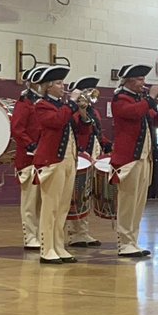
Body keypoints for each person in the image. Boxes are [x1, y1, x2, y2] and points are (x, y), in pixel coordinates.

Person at [110, 63, 158, 258]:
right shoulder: (120, 99)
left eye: (144, 79)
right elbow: (134, 113)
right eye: (140, 80)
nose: (144, 83)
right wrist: (151, 98)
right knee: (128, 202)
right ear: (129, 80)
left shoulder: (140, 100)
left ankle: (132, 241)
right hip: (129, 159)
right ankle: (124, 242)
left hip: (145, 158)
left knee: (139, 202)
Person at [33, 65, 86, 265]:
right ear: (47, 87)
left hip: (69, 159)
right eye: (57, 83)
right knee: (50, 206)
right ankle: (47, 248)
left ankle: (58, 245)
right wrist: (72, 104)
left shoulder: (64, 106)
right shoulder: (42, 104)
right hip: (52, 161)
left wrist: (82, 110)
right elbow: (56, 121)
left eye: (62, 82)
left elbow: (79, 129)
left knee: (63, 206)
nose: (62, 86)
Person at [66, 75, 112, 248]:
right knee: (77, 195)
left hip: (94, 152)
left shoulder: (94, 111)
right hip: (80, 153)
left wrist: (106, 145)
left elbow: (96, 132)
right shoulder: (73, 111)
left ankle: (83, 232)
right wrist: (81, 110)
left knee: (87, 195)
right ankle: (74, 234)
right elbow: (81, 128)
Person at [11, 64, 45, 250]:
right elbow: (17, 129)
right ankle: (30, 236)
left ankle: (41, 234)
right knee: (30, 203)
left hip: (43, 159)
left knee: (43, 201)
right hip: (29, 159)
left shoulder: (43, 103)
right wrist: (31, 145)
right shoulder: (24, 103)